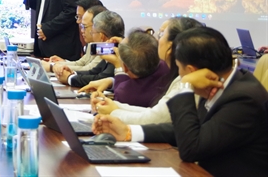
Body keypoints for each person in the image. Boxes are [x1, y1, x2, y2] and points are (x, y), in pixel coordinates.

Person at [92, 27, 268, 177]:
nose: (180, 76)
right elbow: (185, 129)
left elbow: (191, 148)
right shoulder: (219, 83)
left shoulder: (243, 98)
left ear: (192, 70)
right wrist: (129, 132)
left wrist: (186, 87)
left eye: (180, 70)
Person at [84, 17, 203, 124]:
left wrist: (113, 112)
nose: (157, 39)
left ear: (171, 47)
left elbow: (154, 119)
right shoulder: (177, 75)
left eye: (161, 34)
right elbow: (155, 112)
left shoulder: (186, 81)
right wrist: (115, 106)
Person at [82, 30, 170, 108]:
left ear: (126, 68)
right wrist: (110, 82)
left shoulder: (125, 93)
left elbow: (121, 92)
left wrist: (118, 66)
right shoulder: (167, 68)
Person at [55, 10, 124, 87]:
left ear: (101, 36)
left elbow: (101, 78)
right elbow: (93, 71)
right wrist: (72, 72)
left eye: (92, 32)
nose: (91, 35)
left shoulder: (119, 52)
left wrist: (69, 78)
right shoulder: (111, 48)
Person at [42, 5, 106, 74]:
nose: (82, 30)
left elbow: (89, 69)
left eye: (84, 26)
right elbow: (81, 63)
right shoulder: (92, 44)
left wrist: (52, 67)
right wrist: (59, 63)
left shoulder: (107, 47)